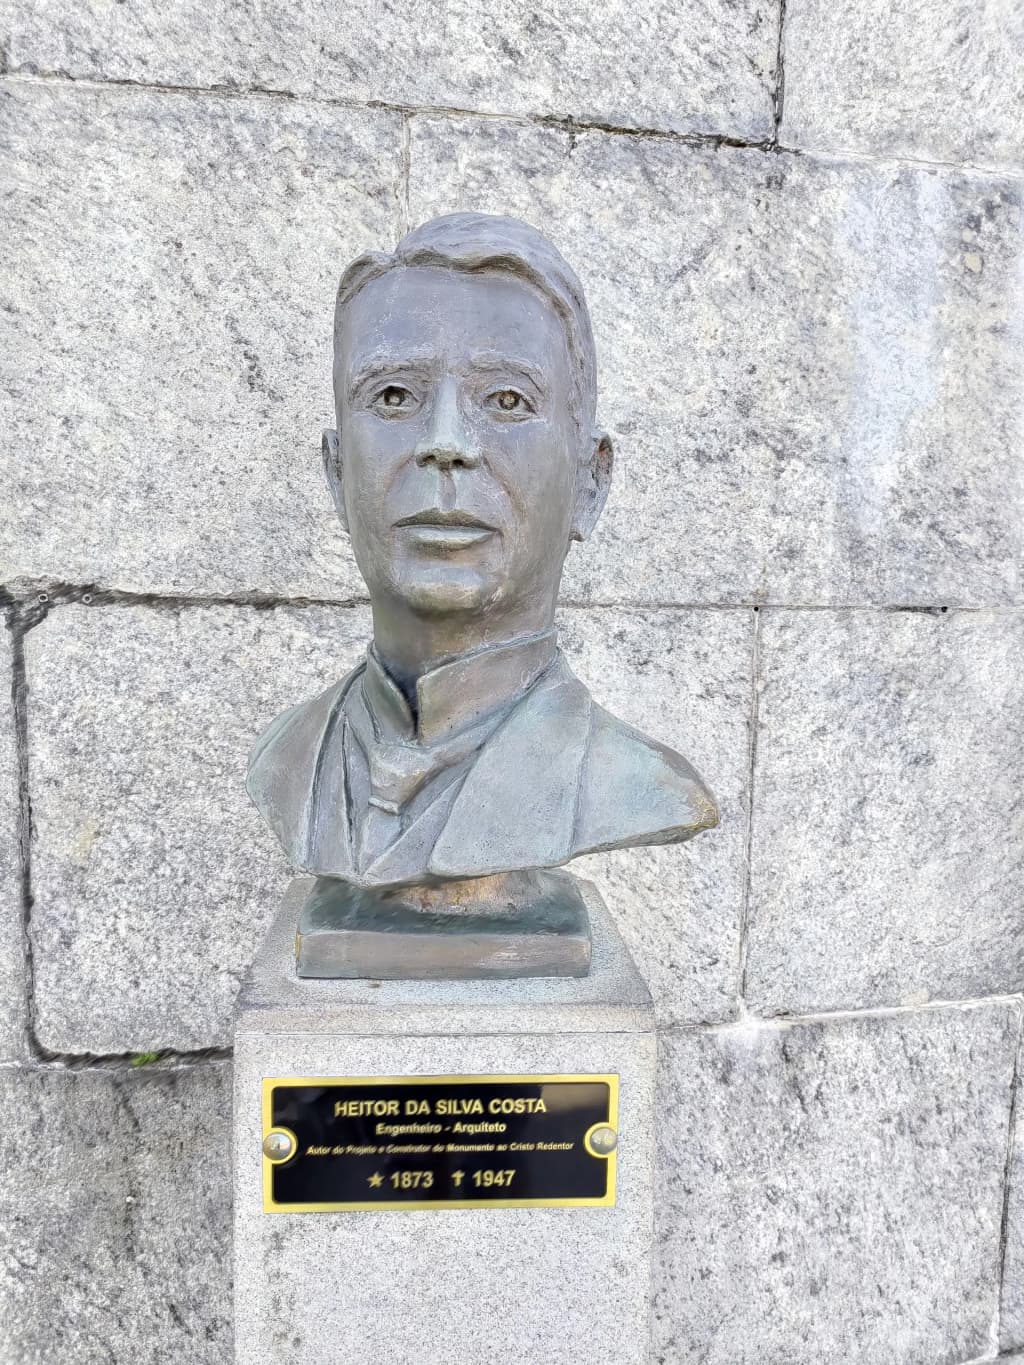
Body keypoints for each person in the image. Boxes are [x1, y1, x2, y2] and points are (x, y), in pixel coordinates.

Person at [248, 212, 717, 891]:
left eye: (506, 399)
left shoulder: (635, 783)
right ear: (335, 472)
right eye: (393, 394)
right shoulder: (283, 758)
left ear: (591, 480)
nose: (445, 441)